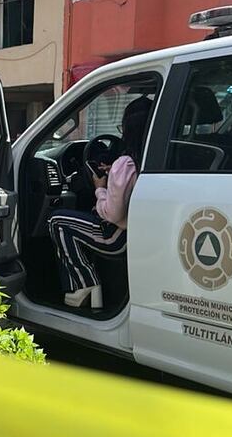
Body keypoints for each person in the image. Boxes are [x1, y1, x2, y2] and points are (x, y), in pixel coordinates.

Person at [47, 97, 154, 309]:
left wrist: (99, 187)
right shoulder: (145, 158)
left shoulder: (124, 164)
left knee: (56, 221)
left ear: (127, 129)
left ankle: (83, 283)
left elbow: (113, 214)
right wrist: (112, 176)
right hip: (138, 233)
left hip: (116, 235)